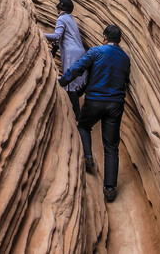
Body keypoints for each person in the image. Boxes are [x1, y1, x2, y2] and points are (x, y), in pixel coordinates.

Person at [58, 24, 130, 203]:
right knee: (111, 146)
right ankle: (110, 188)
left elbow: (78, 68)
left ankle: (88, 156)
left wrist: (62, 81)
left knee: (83, 126)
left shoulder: (96, 51)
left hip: (95, 100)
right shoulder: (125, 58)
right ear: (119, 40)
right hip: (115, 104)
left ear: (104, 38)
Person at [44, 0, 87, 119]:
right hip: (78, 52)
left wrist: (41, 34)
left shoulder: (62, 19)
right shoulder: (70, 19)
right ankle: (76, 114)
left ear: (61, 7)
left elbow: (57, 36)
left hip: (70, 53)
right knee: (74, 83)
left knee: (69, 84)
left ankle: (75, 115)